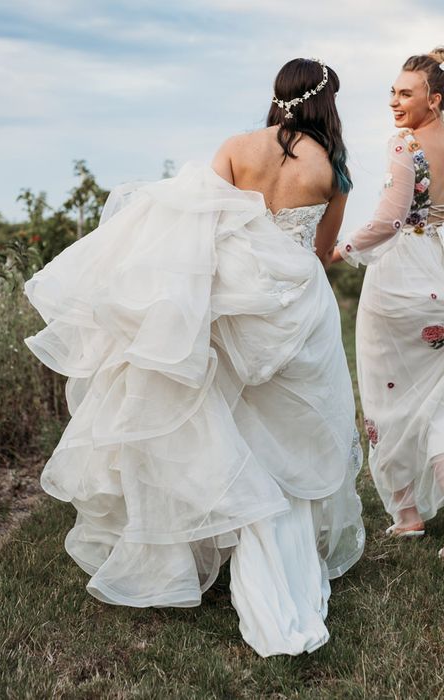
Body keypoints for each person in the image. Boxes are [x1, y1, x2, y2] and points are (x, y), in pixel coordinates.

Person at [24, 58, 364, 657]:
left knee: (222, 423)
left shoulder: (237, 147)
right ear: (324, 103)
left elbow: (192, 225)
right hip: (294, 309)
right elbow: (320, 249)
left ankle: (217, 544)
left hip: (230, 303)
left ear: (278, 94)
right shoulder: (331, 169)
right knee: (286, 433)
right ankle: (275, 555)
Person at [333, 48, 444, 553]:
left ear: (434, 100)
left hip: (401, 277)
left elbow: (391, 219)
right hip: (440, 270)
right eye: (392, 93)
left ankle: (407, 514)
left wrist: (343, 248)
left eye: (407, 94)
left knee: (385, 394)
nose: (395, 103)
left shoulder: (405, 146)